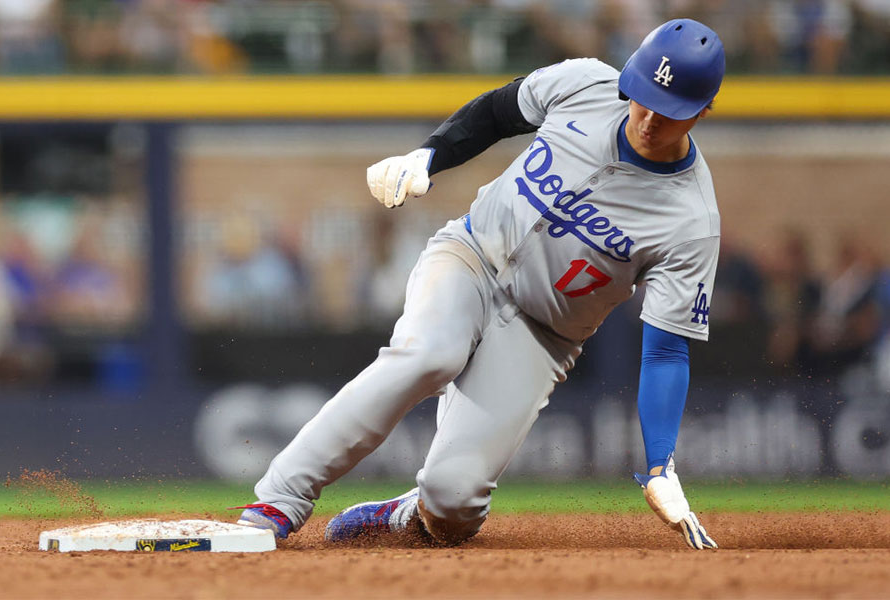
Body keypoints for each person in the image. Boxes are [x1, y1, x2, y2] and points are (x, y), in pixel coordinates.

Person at [232, 18, 724, 551]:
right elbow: (496, 111)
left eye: (669, 111)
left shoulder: (691, 220)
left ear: (702, 111)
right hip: (470, 256)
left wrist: (658, 463)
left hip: (542, 333)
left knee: (454, 503)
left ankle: (410, 515)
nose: (648, 118)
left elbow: (666, 353)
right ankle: (279, 500)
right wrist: (429, 154)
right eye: (644, 97)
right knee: (428, 355)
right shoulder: (587, 83)